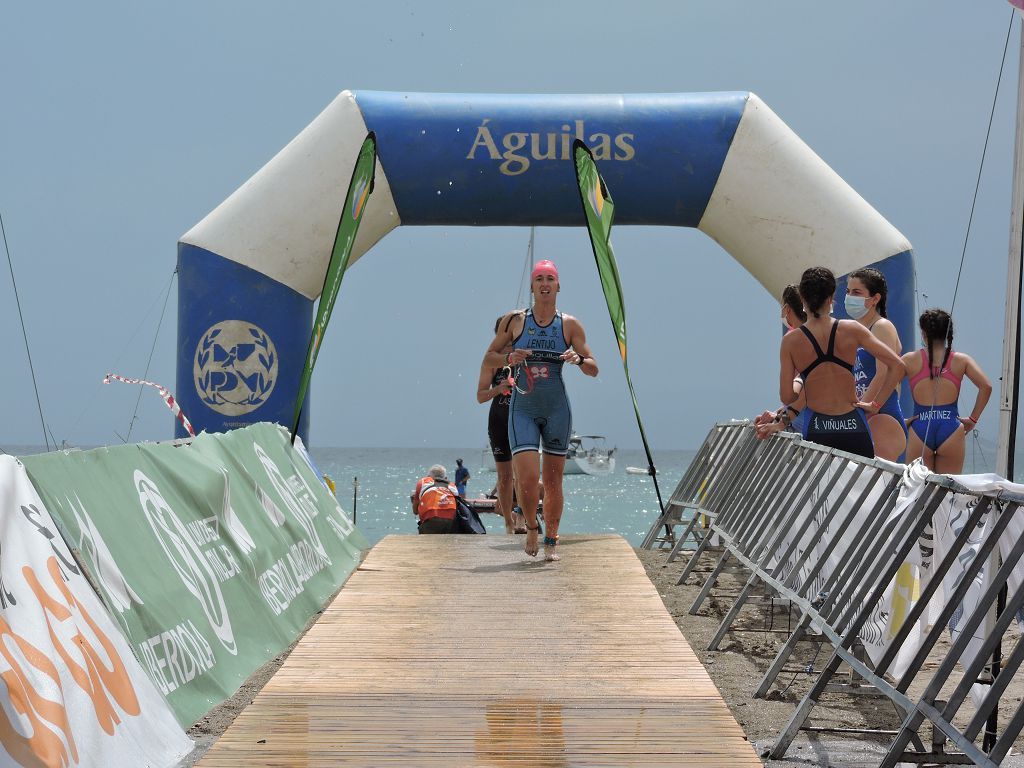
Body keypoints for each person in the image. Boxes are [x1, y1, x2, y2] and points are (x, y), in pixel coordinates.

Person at [482, 259, 597, 561]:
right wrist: (510, 356)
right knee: (528, 479)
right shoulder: (515, 321)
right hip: (523, 409)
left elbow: (594, 368)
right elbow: (489, 357)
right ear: (532, 287)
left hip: (557, 407)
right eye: (539, 279)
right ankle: (531, 525)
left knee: (555, 480)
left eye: (550, 279)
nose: (545, 284)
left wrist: (578, 360)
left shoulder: (570, 325)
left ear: (558, 286)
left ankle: (552, 538)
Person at [771, 266, 905, 458]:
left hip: (818, 426)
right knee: (863, 486)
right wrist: (876, 404)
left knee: (821, 487)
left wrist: (801, 382)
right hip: (853, 425)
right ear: (831, 298)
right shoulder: (851, 329)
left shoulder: (791, 341)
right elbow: (897, 365)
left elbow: (787, 397)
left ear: (803, 298)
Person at [902, 309, 992, 474]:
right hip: (950, 426)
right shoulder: (961, 360)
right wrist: (972, 419)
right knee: (948, 493)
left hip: (920, 426)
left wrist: (900, 420)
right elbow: (986, 387)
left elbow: (885, 388)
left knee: (915, 490)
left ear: (923, 333)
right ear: (948, 334)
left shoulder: (909, 360)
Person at [846, 268, 907, 461]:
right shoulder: (857, 330)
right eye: (848, 291)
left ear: (875, 299)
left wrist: (866, 407)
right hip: (865, 413)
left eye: (857, 292)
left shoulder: (881, 326)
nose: (849, 297)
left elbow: (885, 372)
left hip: (882, 415)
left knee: (880, 486)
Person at [477, 315, 518, 533]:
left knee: (524, 473)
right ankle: (509, 523)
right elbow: (480, 396)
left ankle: (521, 516)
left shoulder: (524, 354)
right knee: (504, 476)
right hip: (499, 421)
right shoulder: (492, 359)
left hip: (522, 420)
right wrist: (498, 388)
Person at [755, 285, 807, 436]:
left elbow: (807, 388)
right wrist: (778, 414)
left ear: (787, 309)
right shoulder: (817, 334)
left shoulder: (795, 339)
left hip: (806, 425)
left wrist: (780, 422)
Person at [410, 465, 459, 534]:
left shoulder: (423, 482)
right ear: (445, 478)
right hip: (450, 518)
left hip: (431, 517)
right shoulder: (452, 486)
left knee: (427, 541)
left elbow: (415, 511)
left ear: (428, 476)